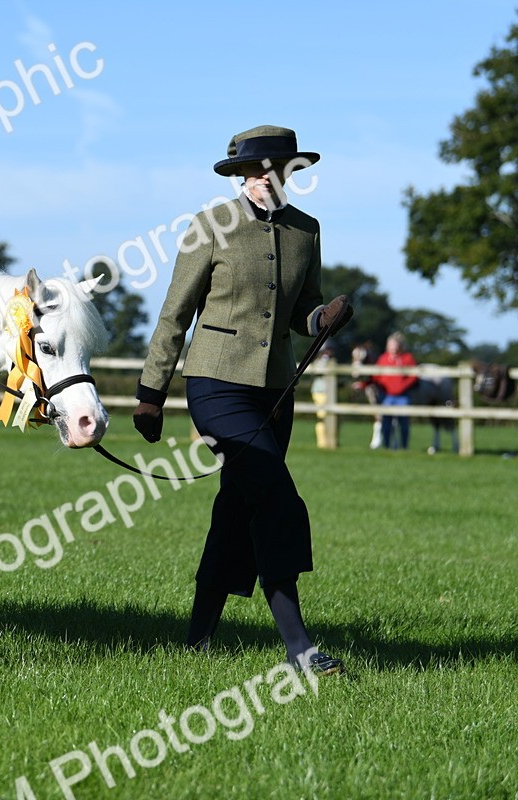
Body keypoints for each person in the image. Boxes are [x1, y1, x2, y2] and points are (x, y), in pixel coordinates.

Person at [131, 125, 352, 675]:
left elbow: (305, 309)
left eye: (272, 171)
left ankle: (197, 638)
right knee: (274, 494)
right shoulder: (209, 227)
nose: (261, 181)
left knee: (237, 509)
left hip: (276, 392)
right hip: (216, 383)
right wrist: (150, 394)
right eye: (251, 173)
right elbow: (175, 313)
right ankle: (300, 649)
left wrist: (322, 320)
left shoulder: (307, 231)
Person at [374, 331, 418, 450]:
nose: (392, 347)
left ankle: (404, 447)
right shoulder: (383, 358)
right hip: (387, 396)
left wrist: (403, 386)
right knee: (386, 422)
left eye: (394, 344)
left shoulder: (407, 358)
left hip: (402, 396)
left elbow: (414, 375)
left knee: (404, 423)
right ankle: (386, 446)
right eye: (390, 344)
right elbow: (376, 376)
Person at [309, 342, 337, 449]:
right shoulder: (319, 362)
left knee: (330, 417)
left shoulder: (332, 362)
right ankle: (322, 443)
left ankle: (331, 441)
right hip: (320, 392)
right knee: (322, 417)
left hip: (329, 392)